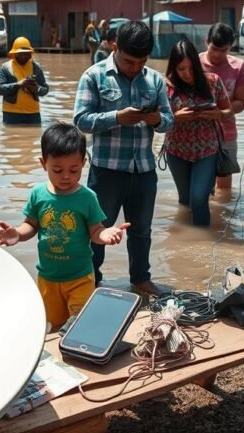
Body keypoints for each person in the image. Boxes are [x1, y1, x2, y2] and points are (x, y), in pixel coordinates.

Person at [0, 123, 129, 332]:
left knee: (81, 322)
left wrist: (106, 233)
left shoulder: (87, 198)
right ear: (43, 163)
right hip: (48, 277)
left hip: (80, 276)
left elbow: (95, 231)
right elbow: (31, 225)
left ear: (83, 163)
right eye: (57, 170)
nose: (66, 176)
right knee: (54, 325)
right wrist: (17, 234)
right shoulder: (38, 194)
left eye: (73, 170)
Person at [73, 20, 173, 295]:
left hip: (143, 170)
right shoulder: (93, 76)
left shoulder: (154, 79)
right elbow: (81, 121)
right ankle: (91, 282)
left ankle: (140, 279)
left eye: (141, 61)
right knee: (97, 230)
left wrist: (155, 119)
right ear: (115, 47)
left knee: (142, 230)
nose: (136, 67)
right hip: (106, 171)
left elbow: (169, 122)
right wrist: (118, 117)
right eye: (130, 61)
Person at [163, 40, 232, 226]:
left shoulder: (213, 81)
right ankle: (186, 245)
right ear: (174, 68)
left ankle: (202, 245)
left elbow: (229, 111)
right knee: (185, 200)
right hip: (176, 151)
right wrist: (175, 117)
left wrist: (218, 114)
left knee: (199, 199)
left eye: (191, 69)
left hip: (207, 151)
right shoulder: (165, 86)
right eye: (181, 69)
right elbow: (158, 120)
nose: (187, 74)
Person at [199, 22, 244, 191]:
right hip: (197, 133)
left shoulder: (239, 66)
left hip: (226, 133)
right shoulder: (193, 63)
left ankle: (222, 216)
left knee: (224, 187)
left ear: (230, 47)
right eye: (215, 48)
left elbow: (241, 103)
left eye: (224, 50)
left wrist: (220, 113)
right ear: (207, 42)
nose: (218, 54)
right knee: (202, 186)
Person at [0, 37, 49, 125]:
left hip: (33, 114)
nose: (24, 56)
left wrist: (36, 88)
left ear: (31, 54)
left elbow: (45, 90)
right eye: (21, 54)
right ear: (14, 54)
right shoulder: (6, 68)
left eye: (27, 54)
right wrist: (19, 84)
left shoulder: (36, 68)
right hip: (11, 113)